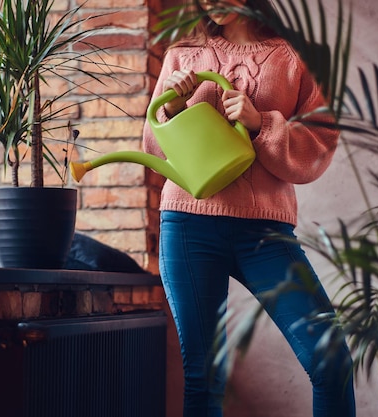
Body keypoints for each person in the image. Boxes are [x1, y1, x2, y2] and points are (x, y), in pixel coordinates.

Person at [142, 1, 356, 416]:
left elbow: (320, 142)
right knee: (203, 379)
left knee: (331, 362)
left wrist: (262, 124)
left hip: (264, 233)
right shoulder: (182, 55)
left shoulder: (296, 57)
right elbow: (154, 148)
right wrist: (170, 108)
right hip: (188, 225)